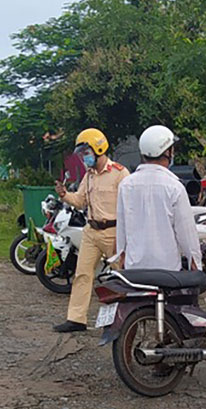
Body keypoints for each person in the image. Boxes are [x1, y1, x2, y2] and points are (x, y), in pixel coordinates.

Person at [53, 128, 130, 333]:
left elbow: (129, 208)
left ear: (98, 148)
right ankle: (76, 319)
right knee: (82, 275)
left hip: (113, 232)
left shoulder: (120, 174)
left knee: (121, 277)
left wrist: (123, 237)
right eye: (82, 153)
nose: (83, 157)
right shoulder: (89, 176)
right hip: (91, 231)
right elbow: (80, 201)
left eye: (86, 152)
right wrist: (64, 195)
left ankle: (125, 319)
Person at [116, 125, 202, 271]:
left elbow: (122, 228)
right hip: (167, 271)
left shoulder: (126, 185)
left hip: (134, 270)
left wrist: (122, 257)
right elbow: (186, 233)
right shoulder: (174, 187)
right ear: (167, 152)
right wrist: (195, 263)